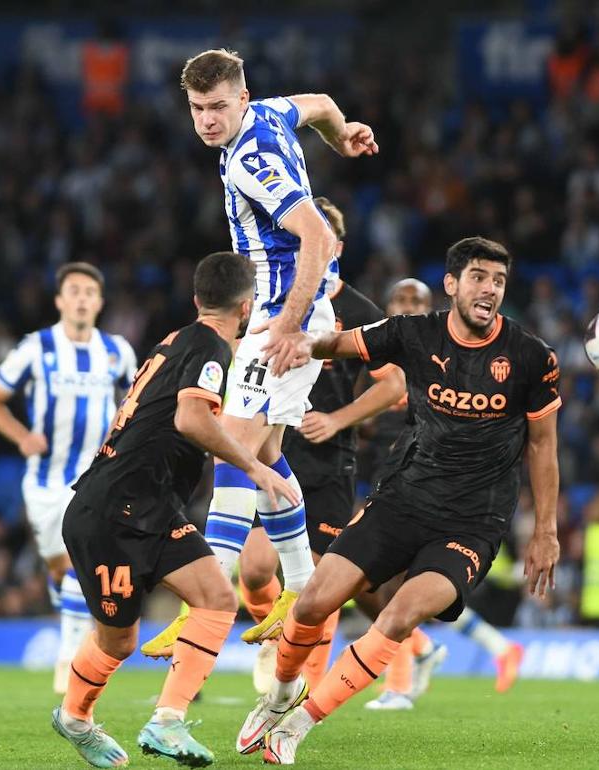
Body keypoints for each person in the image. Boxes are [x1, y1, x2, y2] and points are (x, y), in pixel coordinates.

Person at [238, 237, 562, 764]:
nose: (490, 289)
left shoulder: (531, 358)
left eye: (499, 281)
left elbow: (544, 446)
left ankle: (299, 723)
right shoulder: (414, 332)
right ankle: (277, 698)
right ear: (452, 285)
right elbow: (342, 343)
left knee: (400, 614)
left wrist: (545, 530)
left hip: (473, 520)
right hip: (405, 498)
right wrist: (298, 342)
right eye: (479, 277)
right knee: (317, 600)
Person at [143, 49, 380, 653]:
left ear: (240, 100)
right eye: (197, 109)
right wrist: (343, 134)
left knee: (231, 451)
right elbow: (323, 104)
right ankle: (301, 591)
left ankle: (206, 604)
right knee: (269, 454)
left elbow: (318, 235)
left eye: (218, 107)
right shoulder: (270, 114)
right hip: (276, 315)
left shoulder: (252, 158)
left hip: (278, 317)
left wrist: (291, 325)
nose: (207, 121)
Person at [50, 252, 299, 768]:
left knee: (214, 597)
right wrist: (254, 467)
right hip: (112, 512)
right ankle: (75, 717)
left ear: (197, 300)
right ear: (248, 305)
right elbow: (190, 418)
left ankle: (167, 722)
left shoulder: (179, 339)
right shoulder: (208, 347)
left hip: (148, 505)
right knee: (118, 642)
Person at [236, 197, 405, 694]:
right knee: (254, 569)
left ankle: (299, 689)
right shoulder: (273, 301)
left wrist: (336, 419)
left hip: (329, 460)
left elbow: (393, 384)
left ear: (337, 246)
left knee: (317, 581)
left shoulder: (357, 311)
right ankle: (278, 637)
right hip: (275, 449)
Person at [362, 278, 526, 710]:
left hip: (436, 490)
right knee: (383, 587)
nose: (409, 305)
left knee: (404, 588)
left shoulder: (440, 356)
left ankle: (400, 680)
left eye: (418, 300)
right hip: (390, 480)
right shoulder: (374, 357)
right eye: (401, 298)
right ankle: (437, 650)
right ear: (388, 305)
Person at [0, 262, 137, 693]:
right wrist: (22, 436)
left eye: (90, 291)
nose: (83, 297)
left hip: (95, 479)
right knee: (57, 568)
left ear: (100, 302)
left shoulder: (118, 351)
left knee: (75, 564)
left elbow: (133, 402)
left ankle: (68, 658)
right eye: (74, 290)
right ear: (60, 301)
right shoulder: (36, 347)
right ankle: (67, 613)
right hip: (46, 482)